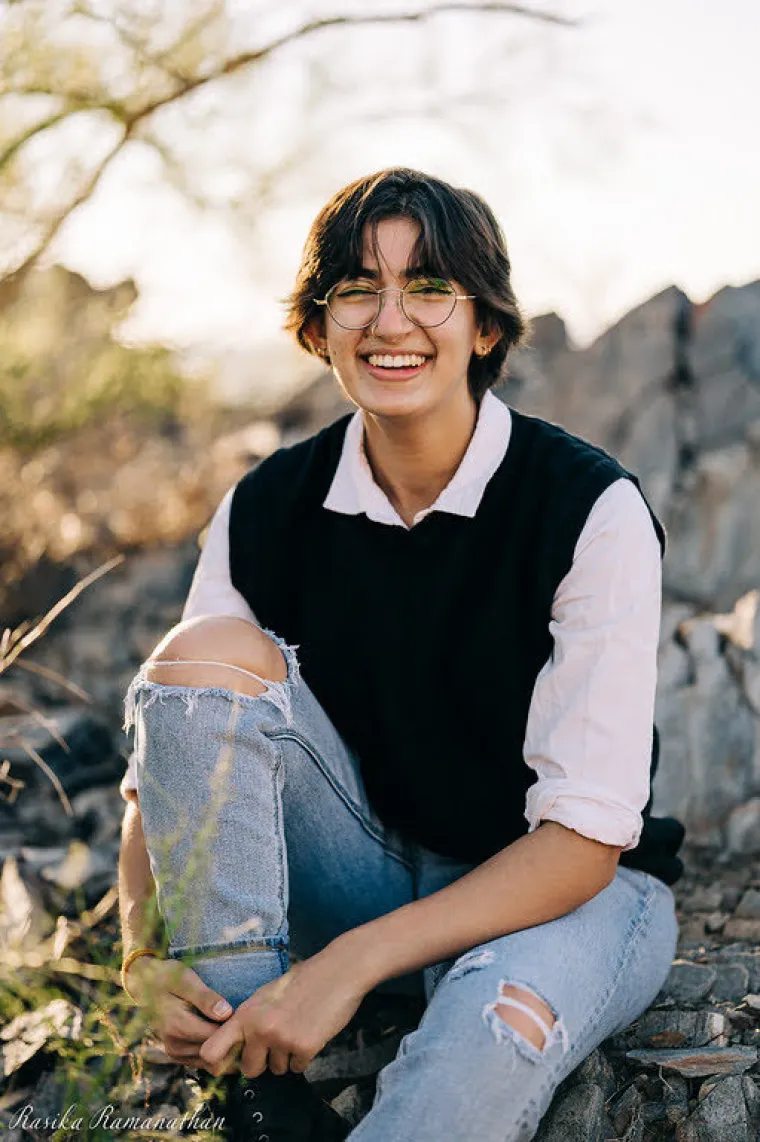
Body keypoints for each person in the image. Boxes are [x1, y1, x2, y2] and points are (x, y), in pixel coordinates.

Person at [118, 167, 684, 1142]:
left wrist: (347, 966)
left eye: (428, 287)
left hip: (555, 888)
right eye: (356, 289)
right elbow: (173, 750)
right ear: (317, 325)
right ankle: (250, 1085)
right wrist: (138, 954)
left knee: (482, 1041)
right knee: (202, 653)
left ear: (486, 325)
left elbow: (584, 838)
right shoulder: (266, 507)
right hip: (360, 861)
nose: (391, 320)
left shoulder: (588, 507)